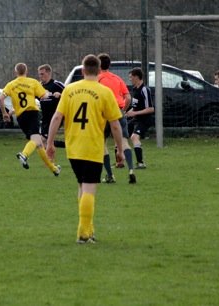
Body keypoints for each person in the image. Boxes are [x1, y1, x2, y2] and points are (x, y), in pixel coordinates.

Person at [45, 54, 124, 244]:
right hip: (93, 146)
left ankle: (89, 230)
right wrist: (119, 149)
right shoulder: (104, 92)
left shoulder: (69, 90)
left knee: (82, 186)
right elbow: (115, 125)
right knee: (89, 188)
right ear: (99, 71)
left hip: (73, 148)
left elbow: (56, 118)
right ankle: (82, 232)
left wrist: (50, 143)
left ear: (82, 71)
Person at [0, 63, 61, 176]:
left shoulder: (11, 84)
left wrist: (5, 113)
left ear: (15, 72)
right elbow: (44, 96)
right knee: (36, 140)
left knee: (38, 144)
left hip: (20, 117)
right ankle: (24, 155)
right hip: (32, 113)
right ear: (26, 71)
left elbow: (0, 99)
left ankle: (54, 169)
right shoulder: (33, 82)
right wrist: (54, 94)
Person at [97, 53, 136, 184]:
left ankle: (110, 175)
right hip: (118, 111)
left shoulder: (97, 79)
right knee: (124, 142)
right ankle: (131, 170)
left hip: (103, 113)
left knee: (102, 144)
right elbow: (128, 97)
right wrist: (123, 111)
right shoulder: (117, 78)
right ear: (110, 65)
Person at [126, 67, 155, 169]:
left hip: (145, 119)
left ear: (137, 77)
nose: (130, 79)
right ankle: (120, 160)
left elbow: (151, 109)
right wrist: (125, 114)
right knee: (122, 133)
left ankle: (140, 163)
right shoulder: (135, 89)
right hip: (137, 119)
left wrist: (135, 113)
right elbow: (134, 107)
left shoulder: (144, 90)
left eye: (131, 77)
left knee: (134, 137)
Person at [37, 64, 66, 148]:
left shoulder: (57, 84)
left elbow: (70, 94)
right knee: (44, 143)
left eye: (42, 74)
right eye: (39, 74)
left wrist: (60, 95)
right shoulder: (38, 86)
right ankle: (68, 145)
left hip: (55, 117)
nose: (40, 76)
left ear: (49, 73)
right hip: (44, 118)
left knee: (42, 140)